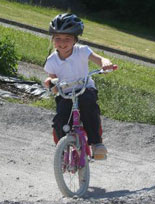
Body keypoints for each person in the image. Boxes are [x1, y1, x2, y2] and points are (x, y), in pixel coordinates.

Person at [44, 13, 116, 160]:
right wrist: (51, 83)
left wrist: (105, 64)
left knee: (89, 106)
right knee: (60, 120)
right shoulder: (51, 61)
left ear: (75, 40)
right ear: (52, 40)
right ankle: (63, 151)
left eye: (67, 39)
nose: (62, 43)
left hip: (84, 88)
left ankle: (96, 144)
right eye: (58, 39)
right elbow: (52, 80)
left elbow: (99, 59)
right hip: (65, 93)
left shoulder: (82, 51)